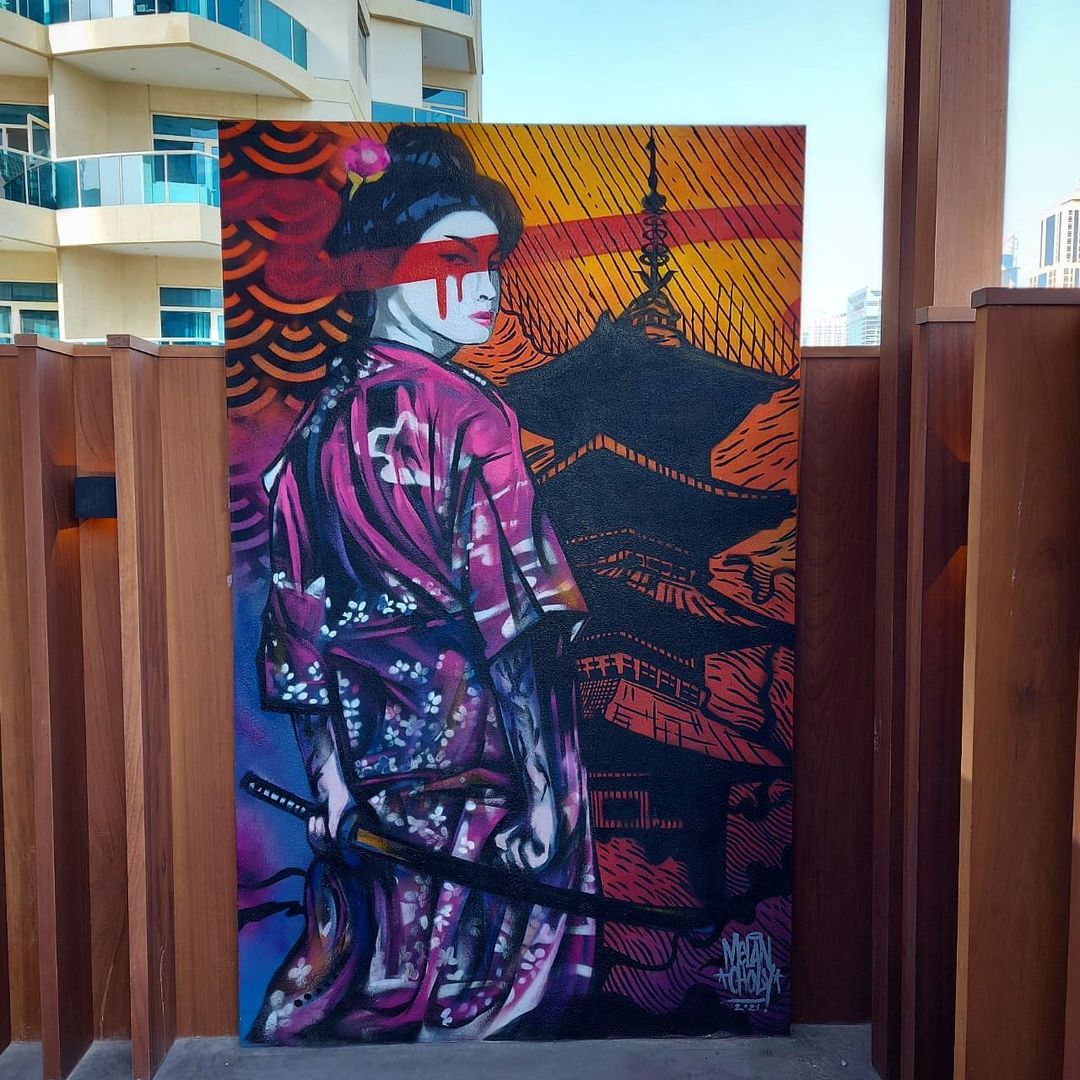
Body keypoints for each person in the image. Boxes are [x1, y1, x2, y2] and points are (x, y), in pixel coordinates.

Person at [250, 126, 596, 1043]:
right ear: (379, 271)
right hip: (482, 766)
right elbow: (517, 623)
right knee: (485, 995)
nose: (487, 286)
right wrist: (545, 794)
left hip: (369, 776)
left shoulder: (313, 432)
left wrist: (330, 783)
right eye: (455, 259)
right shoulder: (472, 417)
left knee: (364, 984)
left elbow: (296, 635)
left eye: (491, 263)